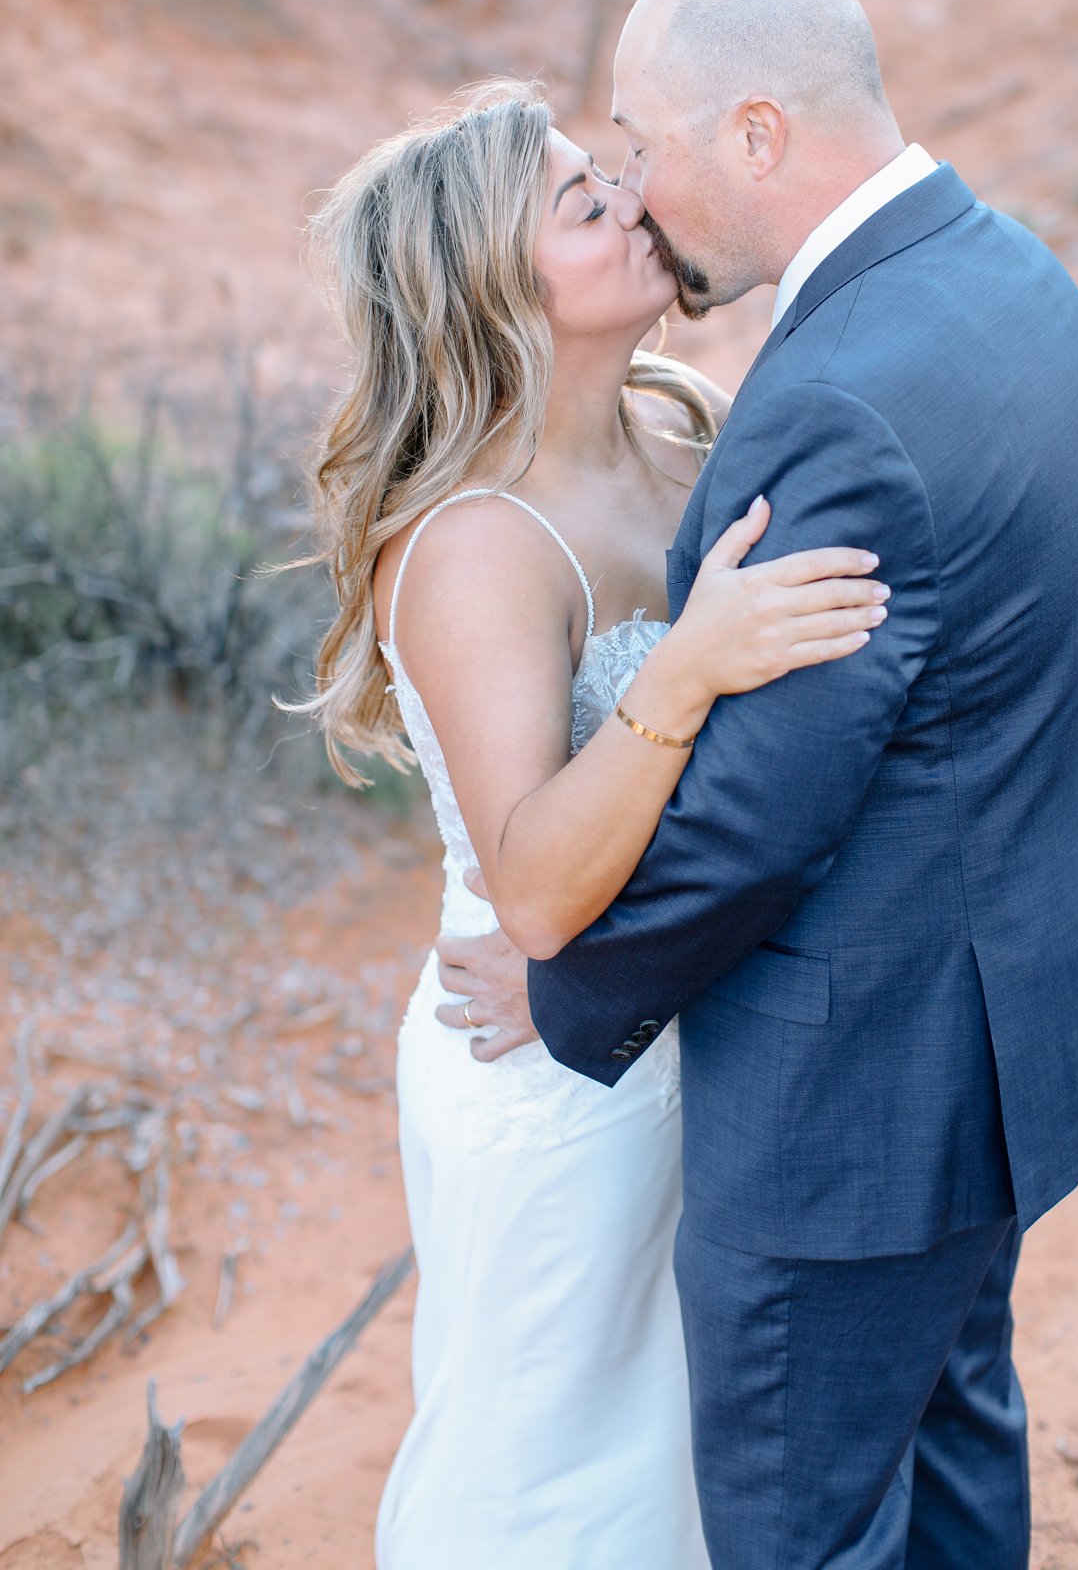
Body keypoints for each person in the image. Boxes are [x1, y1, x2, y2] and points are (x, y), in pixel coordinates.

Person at [442, 0, 1078, 1570]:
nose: (636, 188)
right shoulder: (1004, 274)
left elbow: (768, 816)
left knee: (806, 1525)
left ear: (757, 135)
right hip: (996, 1030)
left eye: (645, 144)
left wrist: (567, 982)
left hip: (857, 1094)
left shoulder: (837, 394)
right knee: (952, 1438)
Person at [297, 82, 889, 1568]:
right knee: (549, 1479)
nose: (634, 202)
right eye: (582, 202)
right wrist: (687, 662)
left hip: (694, 1024)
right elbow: (543, 895)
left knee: (686, 1467)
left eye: (608, 175)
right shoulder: (474, 546)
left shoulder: (687, 436)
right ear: (490, 287)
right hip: (545, 1069)